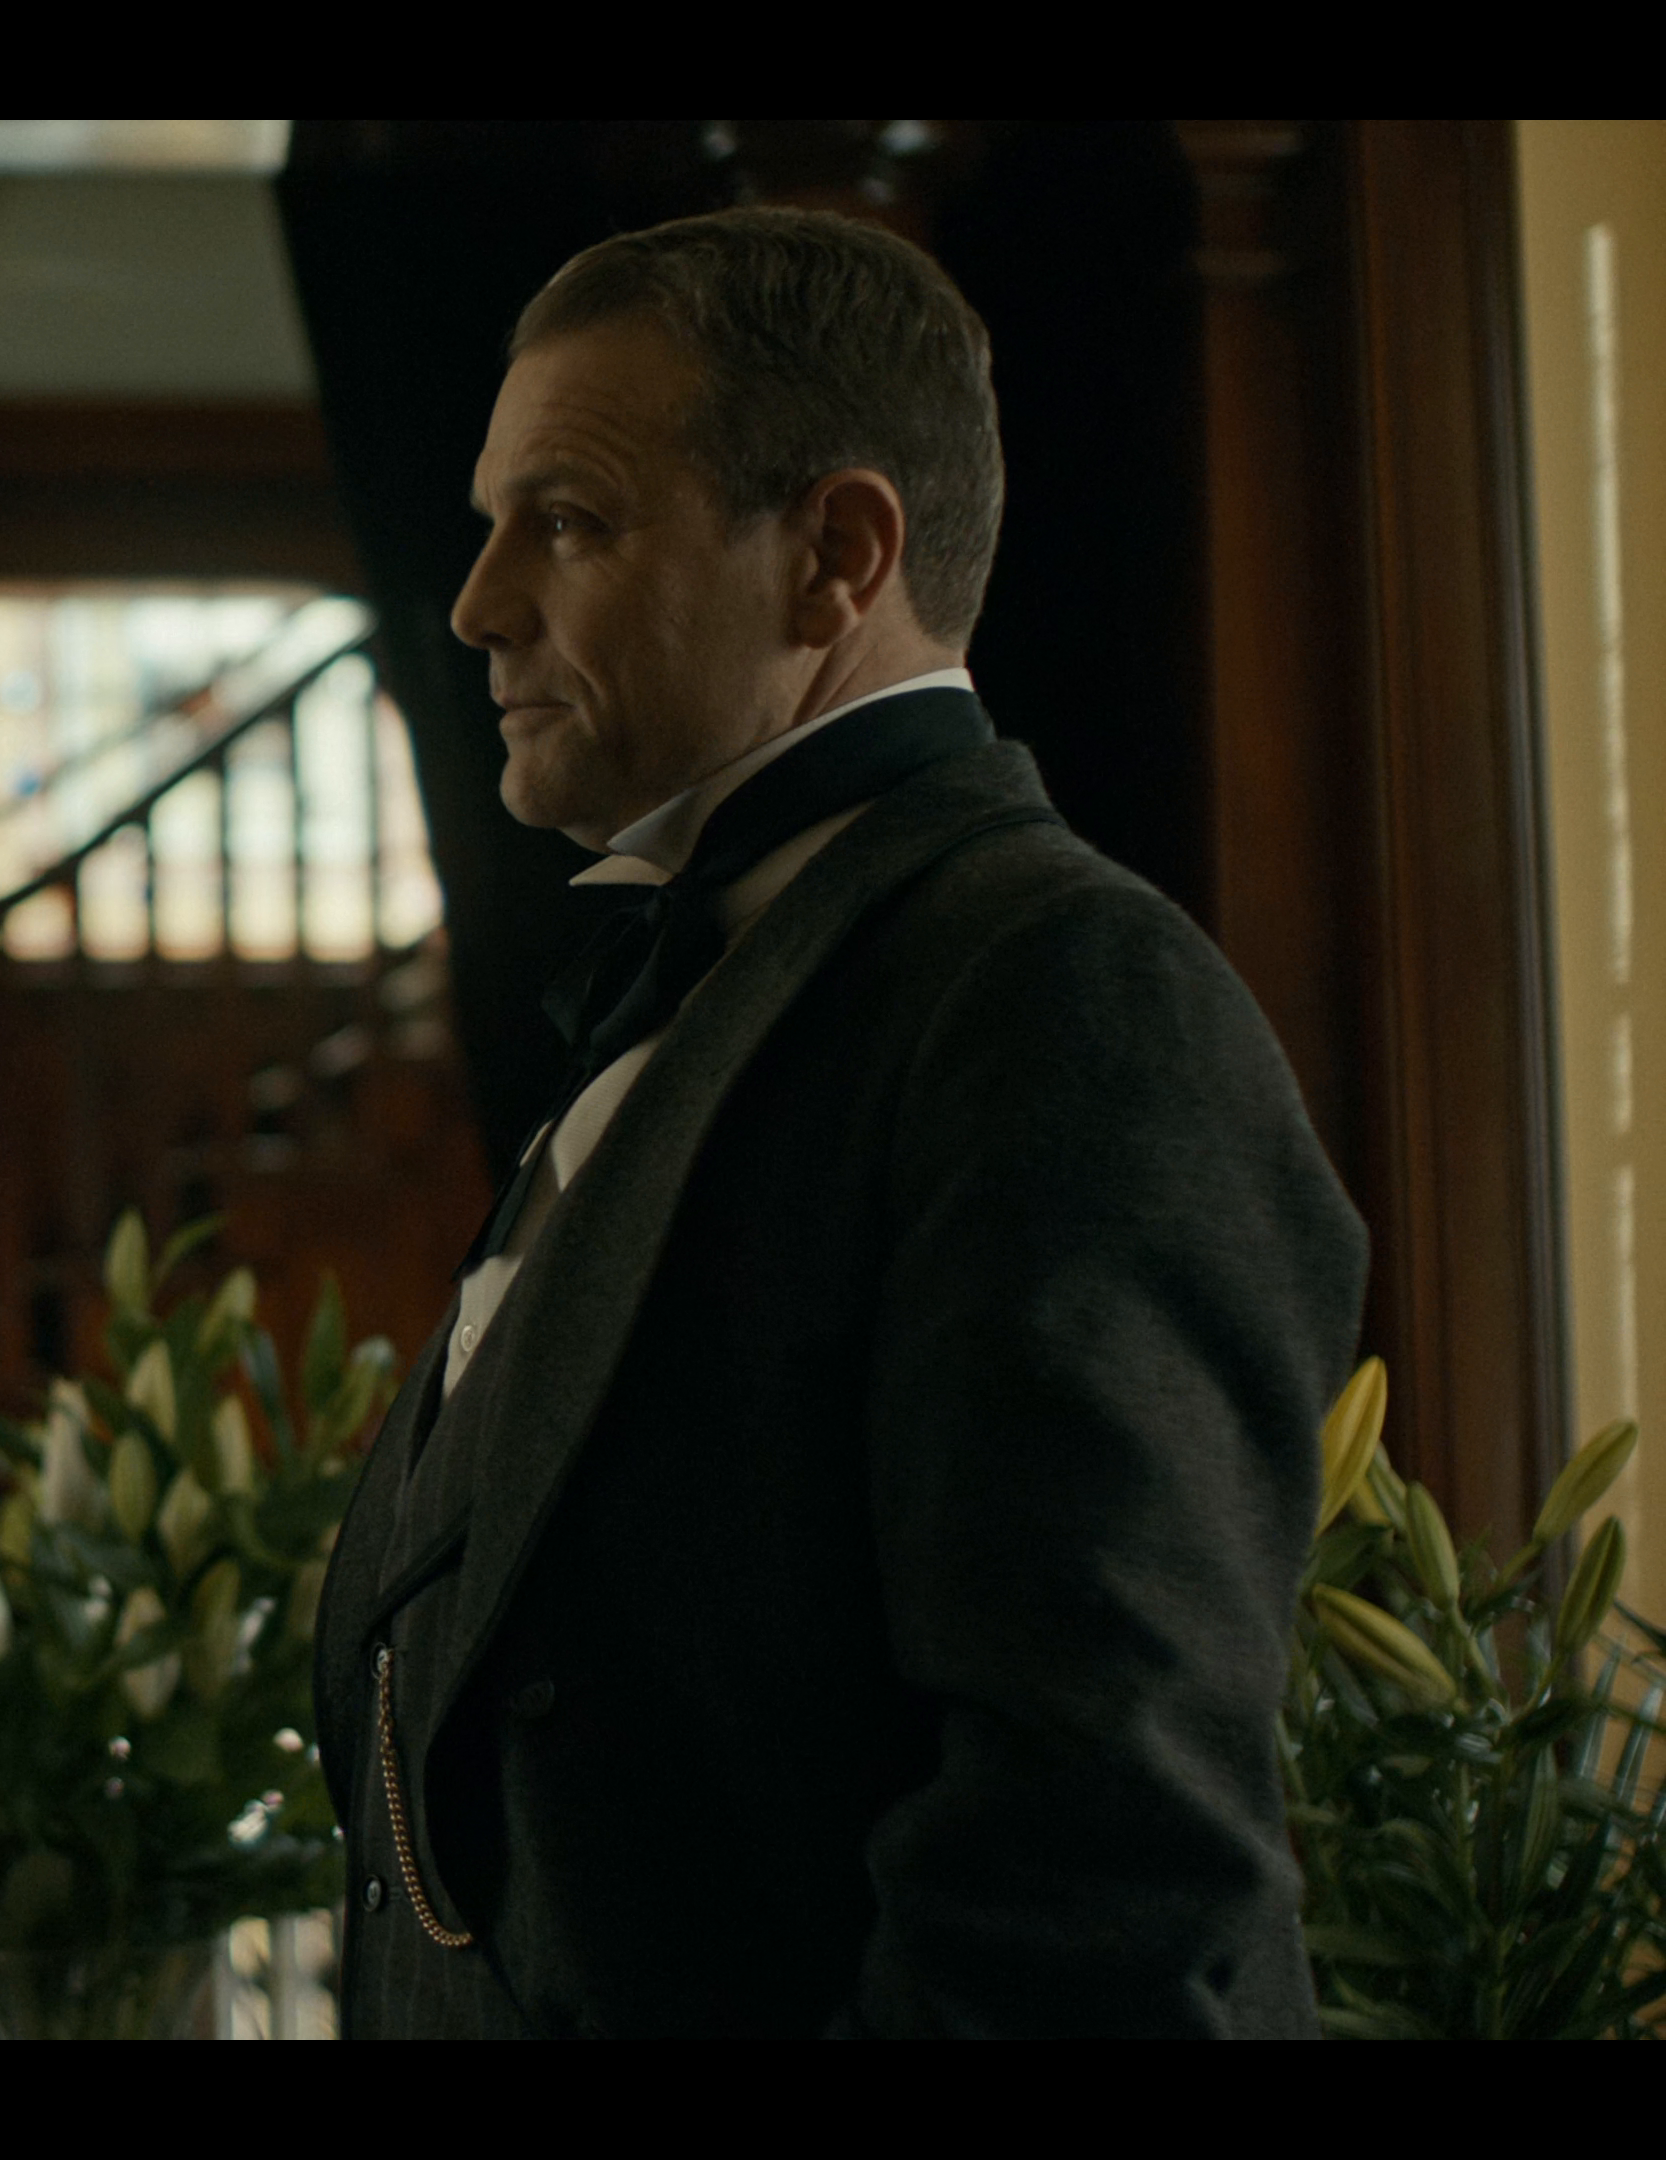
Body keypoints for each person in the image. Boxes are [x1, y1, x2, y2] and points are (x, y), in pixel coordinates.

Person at [311, 208, 1363, 2037]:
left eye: (565, 521)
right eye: (489, 524)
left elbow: (1098, 1857)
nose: (475, 604)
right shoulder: (719, 970)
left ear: (835, 558)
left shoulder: (1062, 997)